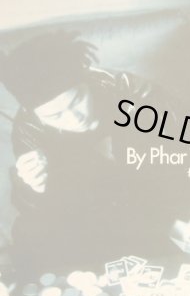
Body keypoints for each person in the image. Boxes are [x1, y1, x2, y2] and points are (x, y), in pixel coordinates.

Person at [0, 31, 180, 277]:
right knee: (32, 237)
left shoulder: (132, 92)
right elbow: (43, 213)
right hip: (89, 215)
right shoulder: (29, 128)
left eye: (77, 101)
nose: (75, 118)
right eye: (55, 116)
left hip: (152, 196)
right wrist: (33, 188)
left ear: (86, 82)